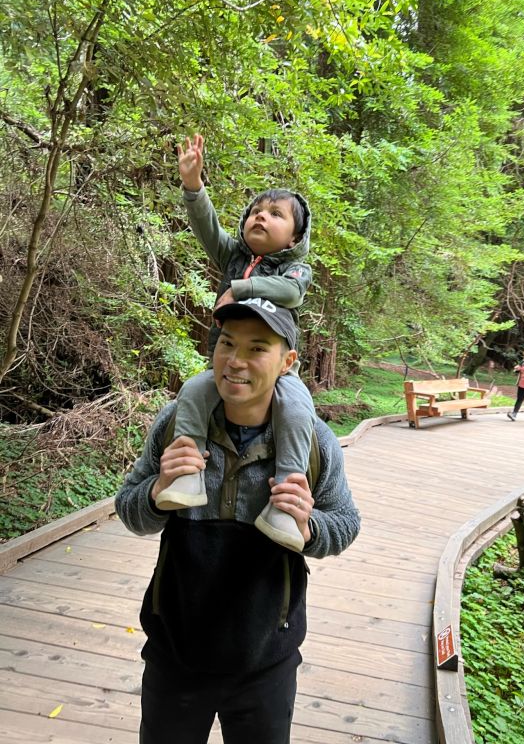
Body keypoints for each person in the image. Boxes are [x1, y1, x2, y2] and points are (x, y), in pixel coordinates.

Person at [115, 300, 360, 744]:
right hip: (176, 654)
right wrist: (157, 491)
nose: (235, 361)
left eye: (256, 348)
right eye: (227, 344)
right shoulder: (177, 424)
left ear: (287, 362)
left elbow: (345, 523)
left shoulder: (314, 442)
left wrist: (308, 528)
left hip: (266, 663)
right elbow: (129, 508)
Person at [156, 132, 314, 554]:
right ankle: (189, 472)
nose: (260, 217)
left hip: (277, 377)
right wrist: (193, 185)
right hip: (223, 368)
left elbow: (291, 294)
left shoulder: (297, 270)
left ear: (295, 237)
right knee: (192, 389)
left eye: (276, 214)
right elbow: (206, 226)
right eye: (255, 212)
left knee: (297, 410)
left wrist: (241, 290)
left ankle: (286, 494)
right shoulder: (234, 257)